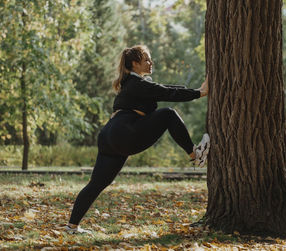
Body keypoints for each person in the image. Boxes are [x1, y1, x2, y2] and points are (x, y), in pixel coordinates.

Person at [64, 45, 210, 233]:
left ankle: (72, 226)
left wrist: (196, 91)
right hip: (124, 132)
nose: (151, 63)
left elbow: (163, 89)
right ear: (135, 63)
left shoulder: (130, 83)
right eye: (147, 60)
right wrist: (199, 93)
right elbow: (166, 93)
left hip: (109, 136)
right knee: (168, 114)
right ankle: (195, 155)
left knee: (96, 184)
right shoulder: (136, 83)